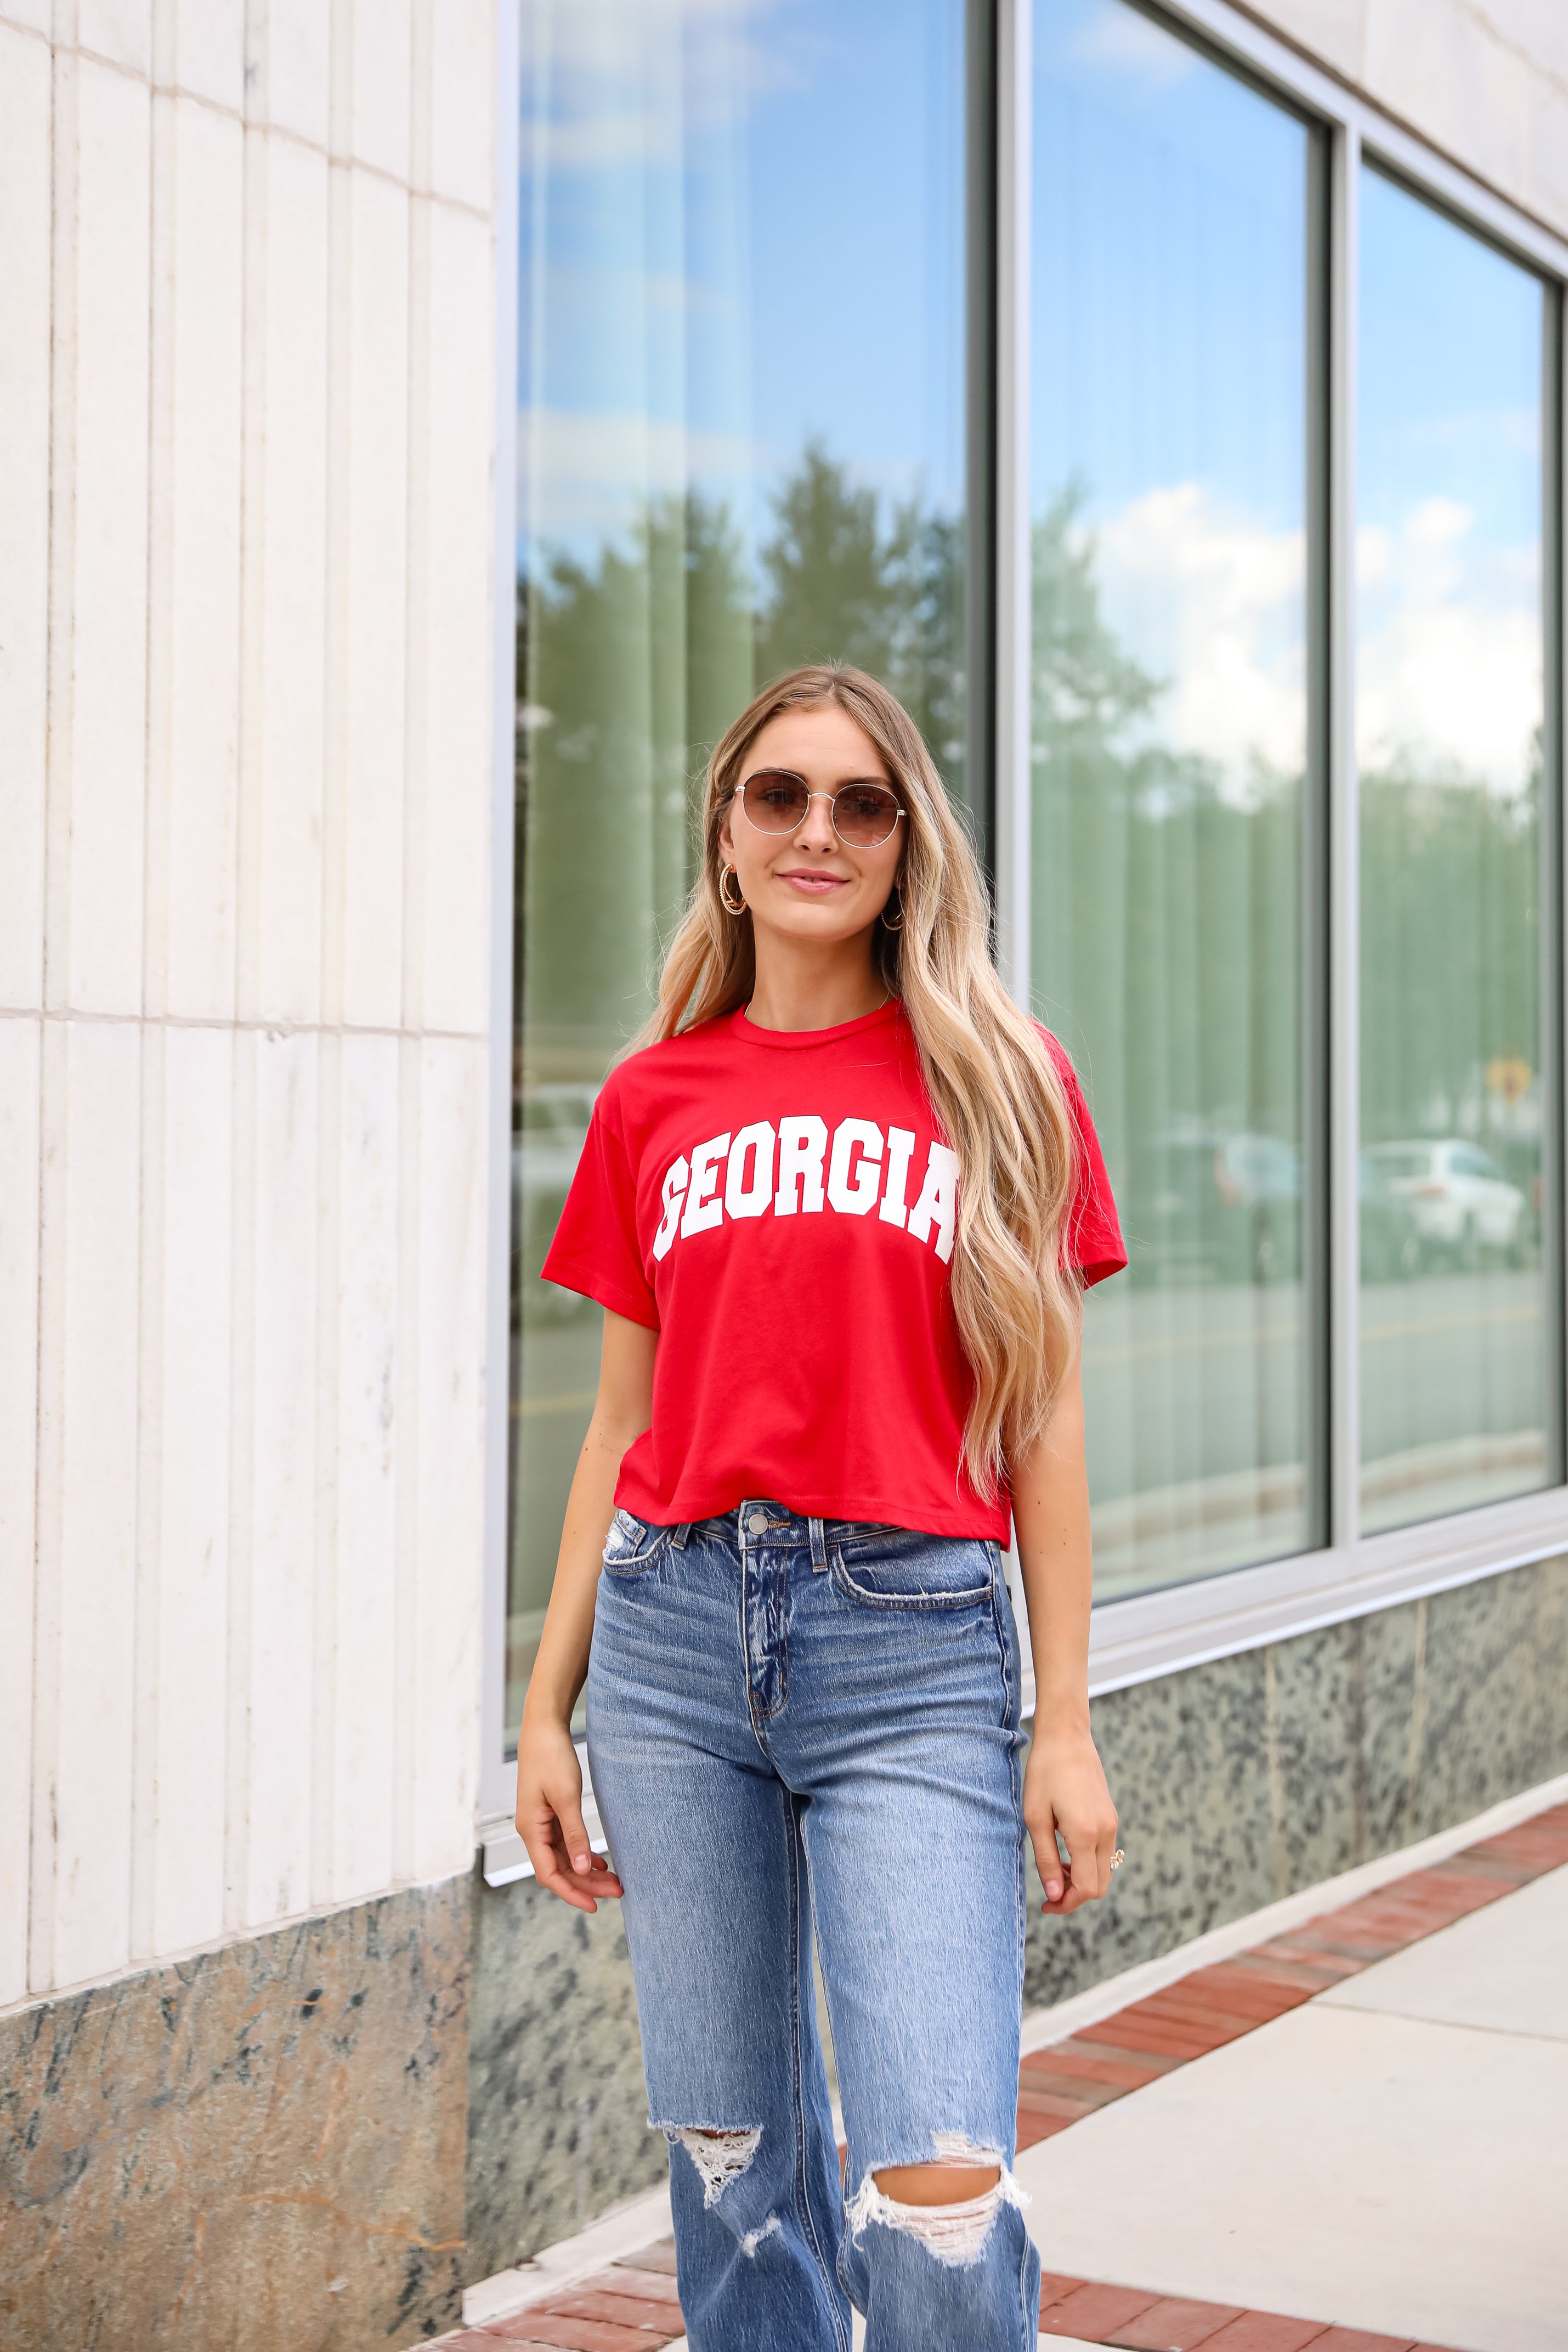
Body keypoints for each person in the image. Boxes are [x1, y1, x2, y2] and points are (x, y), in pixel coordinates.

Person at [515, 664, 1127, 2351]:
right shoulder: (653, 1098)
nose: (817, 831)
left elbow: (1046, 1414)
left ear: (908, 844)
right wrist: (545, 1708)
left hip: (912, 1647)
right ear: (724, 839)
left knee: (934, 2182)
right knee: (735, 2170)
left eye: (862, 802)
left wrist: (1061, 1718)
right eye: (778, 795)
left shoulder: (1000, 1076)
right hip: (670, 1647)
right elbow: (618, 1425)